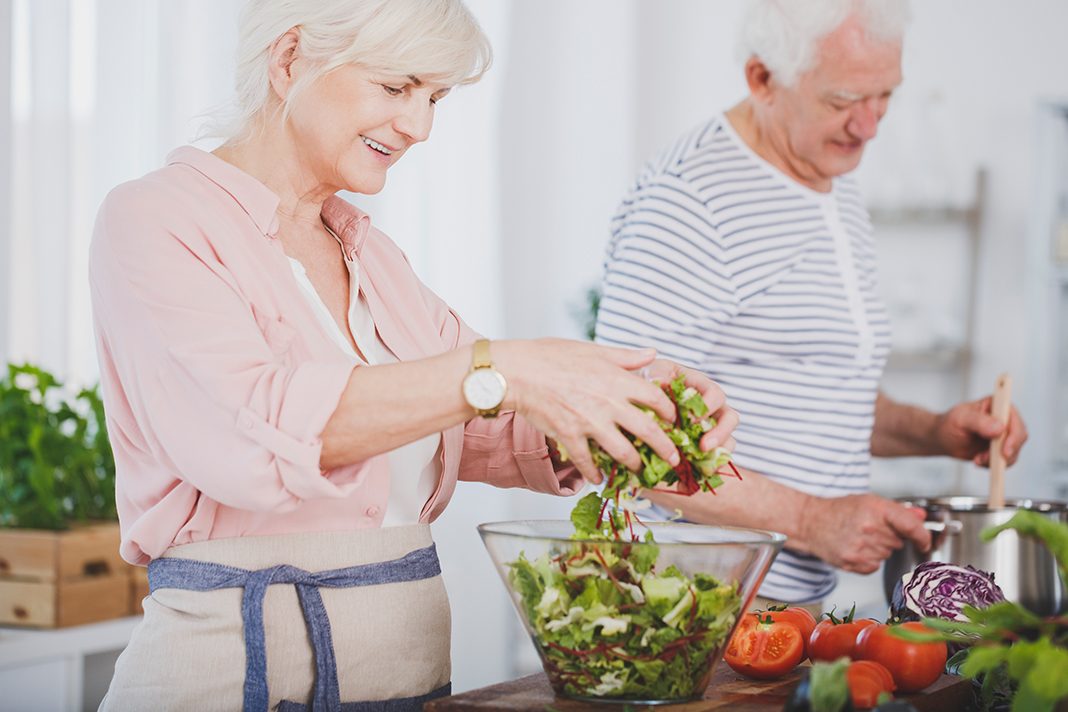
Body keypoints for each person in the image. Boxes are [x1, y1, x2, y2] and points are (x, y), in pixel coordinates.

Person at [88, 1, 739, 709]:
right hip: (226, 683)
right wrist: (512, 370)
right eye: (396, 87)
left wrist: (627, 404)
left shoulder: (373, 257)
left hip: (407, 681)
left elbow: (480, 420)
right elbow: (255, 430)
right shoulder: (155, 220)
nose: (419, 127)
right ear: (288, 60)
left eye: (435, 98)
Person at [594, 0, 1027, 609]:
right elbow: (630, 439)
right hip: (686, 599)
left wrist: (934, 432)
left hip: (781, 602)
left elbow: (812, 390)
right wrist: (812, 519)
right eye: (843, 101)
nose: (870, 125)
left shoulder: (827, 177)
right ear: (763, 79)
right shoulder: (689, 203)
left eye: (885, 97)